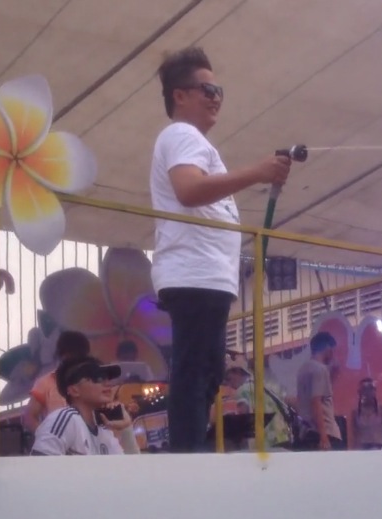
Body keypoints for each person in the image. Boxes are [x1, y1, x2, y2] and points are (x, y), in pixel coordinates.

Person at [149, 46, 295, 453]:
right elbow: (189, 189)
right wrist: (257, 173)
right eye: (207, 90)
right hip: (194, 274)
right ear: (180, 95)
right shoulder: (182, 135)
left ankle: (191, 452)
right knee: (196, 370)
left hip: (205, 277)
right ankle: (187, 457)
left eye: (219, 91)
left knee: (205, 370)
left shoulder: (192, 141)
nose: (216, 98)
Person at [30, 356, 140, 455]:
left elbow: (130, 468)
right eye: (97, 378)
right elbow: (39, 466)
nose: (107, 383)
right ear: (74, 390)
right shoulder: (65, 418)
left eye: (107, 378)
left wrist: (126, 428)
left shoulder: (103, 430)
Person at [24, 330, 90, 432]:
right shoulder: (45, 382)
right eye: (69, 356)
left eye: (77, 357)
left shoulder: (94, 380)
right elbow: (29, 417)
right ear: (60, 355)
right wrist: (47, 437)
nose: (73, 361)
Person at [224, 355, 294, 450]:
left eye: (229, 379)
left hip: (267, 442)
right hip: (282, 436)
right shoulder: (264, 386)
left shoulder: (242, 391)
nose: (229, 384)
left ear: (238, 372)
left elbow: (244, 420)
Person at [296, 332, 343, 451]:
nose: (333, 354)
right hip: (326, 433)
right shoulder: (320, 369)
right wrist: (324, 437)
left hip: (308, 432)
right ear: (327, 348)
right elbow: (316, 402)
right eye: (332, 350)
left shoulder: (303, 369)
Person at [350, 378, 382, 450]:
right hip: (362, 449)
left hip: (379, 448)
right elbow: (353, 435)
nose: (367, 392)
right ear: (359, 392)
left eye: (370, 389)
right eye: (364, 389)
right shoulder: (355, 412)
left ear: (374, 391)